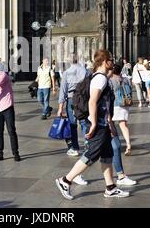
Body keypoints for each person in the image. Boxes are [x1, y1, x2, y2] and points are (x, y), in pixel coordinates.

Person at [55, 50, 130, 200]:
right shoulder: (100, 79)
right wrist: (94, 123)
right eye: (110, 59)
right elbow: (92, 101)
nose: (112, 61)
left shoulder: (101, 77)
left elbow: (104, 102)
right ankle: (66, 180)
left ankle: (110, 187)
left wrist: (109, 121)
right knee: (91, 154)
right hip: (97, 123)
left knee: (107, 154)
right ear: (104, 62)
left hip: (103, 122)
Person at [109, 65, 137, 185]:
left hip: (115, 105)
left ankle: (113, 144)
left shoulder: (110, 80)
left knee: (112, 125)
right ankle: (129, 145)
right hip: (124, 105)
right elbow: (130, 89)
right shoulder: (125, 79)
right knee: (123, 125)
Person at [57, 54, 87, 158]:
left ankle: (75, 148)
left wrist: (60, 107)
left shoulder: (66, 73)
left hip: (71, 99)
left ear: (69, 61)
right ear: (77, 59)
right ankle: (88, 146)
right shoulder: (85, 71)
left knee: (73, 124)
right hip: (83, 99)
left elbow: (63, 91)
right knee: (84, 122)